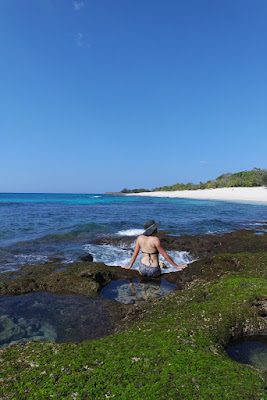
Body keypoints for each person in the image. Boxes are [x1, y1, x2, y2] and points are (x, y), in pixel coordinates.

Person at [121, 219, 188, 277]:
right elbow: (164, 255)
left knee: (143, 290)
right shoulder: (155, 239)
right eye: (155, 227)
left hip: (142, 268)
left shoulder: (139, 238)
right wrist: (176, 266)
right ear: (153, 229)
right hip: (154, 270)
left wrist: (129, 266)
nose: (157, 229)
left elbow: (135, 253)